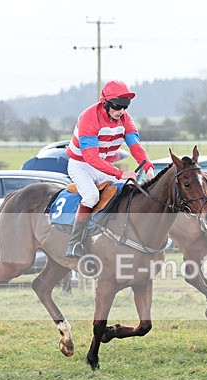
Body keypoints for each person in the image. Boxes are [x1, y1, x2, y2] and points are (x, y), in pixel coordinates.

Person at [64, 80, 155, 258]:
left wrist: (149, 166)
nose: (122, 111)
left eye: (126, 107)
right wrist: (120, 173)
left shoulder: (125, 119)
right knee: (91, 196)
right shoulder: (89, 117)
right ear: (106, 103)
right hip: (81, 165)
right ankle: (73, 244)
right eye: (118, 106)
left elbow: (135, 147)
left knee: (129, 189)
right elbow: (90, 157)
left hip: (102, 165)